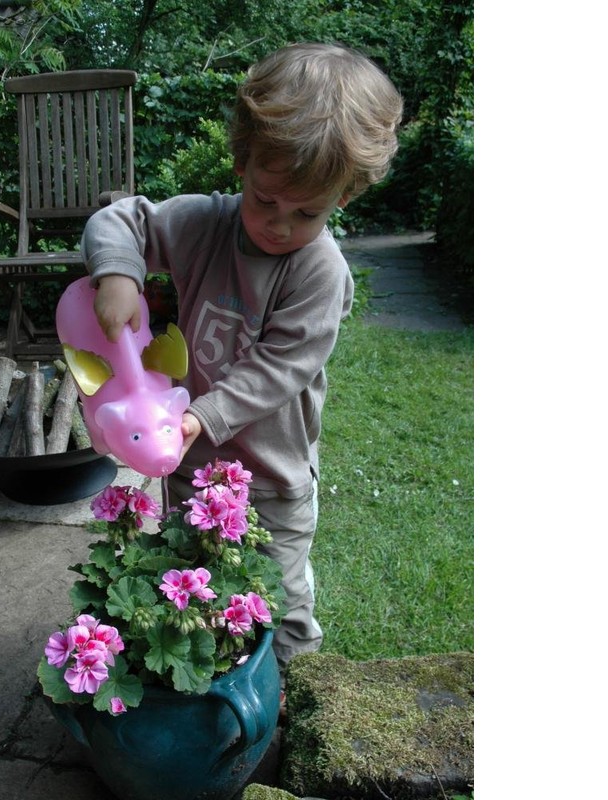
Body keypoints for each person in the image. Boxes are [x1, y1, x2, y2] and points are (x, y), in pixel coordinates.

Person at [79, 42, 403, 680]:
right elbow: (120, 220)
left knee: (277, 600)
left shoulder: (320, 271)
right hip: (192, 470)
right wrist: (117, 271)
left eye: (307, 211)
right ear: (243, 163)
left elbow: (281, 368)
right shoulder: (202, 224)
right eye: (265, 198)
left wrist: (204, 412)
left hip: (273, 481)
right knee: (195, 589)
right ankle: (221, 691)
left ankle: (297, 694)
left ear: (347, 194)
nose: (280, 225)